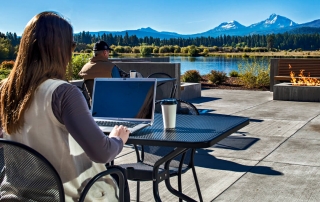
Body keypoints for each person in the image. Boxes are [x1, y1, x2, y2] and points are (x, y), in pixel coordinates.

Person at [0, 11, 130, 201]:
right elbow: (102, 152)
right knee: (118, 176)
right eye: (72, 45)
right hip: (64, 196)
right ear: (60, 49)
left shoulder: (5, 90)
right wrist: (117, 140)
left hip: (17, 195)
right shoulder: (63, 93)